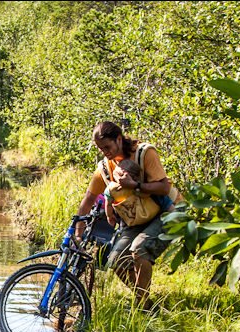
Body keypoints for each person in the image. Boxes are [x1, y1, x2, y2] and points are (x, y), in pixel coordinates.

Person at [77, 121, 179, 311]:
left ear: (119, 138)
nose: (105, 152)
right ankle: (147, 304)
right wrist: (77, 231)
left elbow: (165, 187)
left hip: (168, 211)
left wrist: (135, 185)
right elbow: (89, 199)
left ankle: (141, 308)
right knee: (116, 262)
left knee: (140, 250)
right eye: (100, 149)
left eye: (107, 147)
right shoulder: (105, 169)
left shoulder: (144, 153)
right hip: (136, 219)